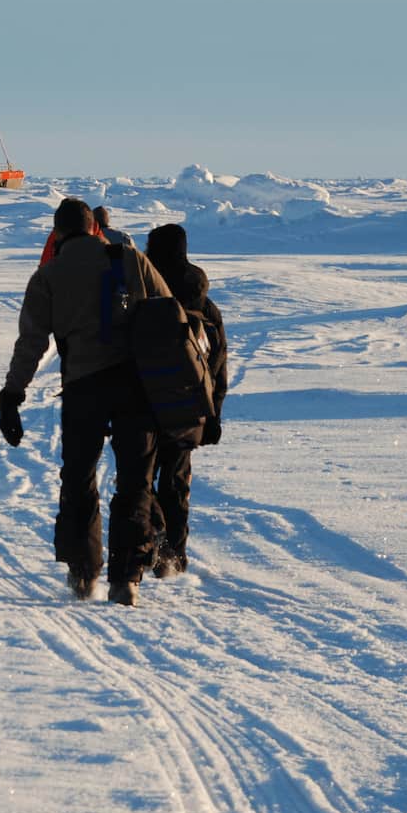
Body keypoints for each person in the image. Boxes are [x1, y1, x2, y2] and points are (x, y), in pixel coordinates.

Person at [0, 198, 172, 605]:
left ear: (57, 235)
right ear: (96, 228)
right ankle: (126, 578)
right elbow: (168, 313)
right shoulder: (130, 259)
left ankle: (82, 573)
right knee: (134, 481)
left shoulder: (48, 276)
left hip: (82, 389)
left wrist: (13, 394)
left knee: (79, 479)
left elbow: (31, 344)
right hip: (135, 387)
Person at [142, 223, 228, 578]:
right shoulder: (203, 302)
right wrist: (214, 412)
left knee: (140, 477)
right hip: (189, 406)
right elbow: (218, 363)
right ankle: (173, 556)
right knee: (176, 479)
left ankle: (153, 534)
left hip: (145, 402)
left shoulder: (143, 292)